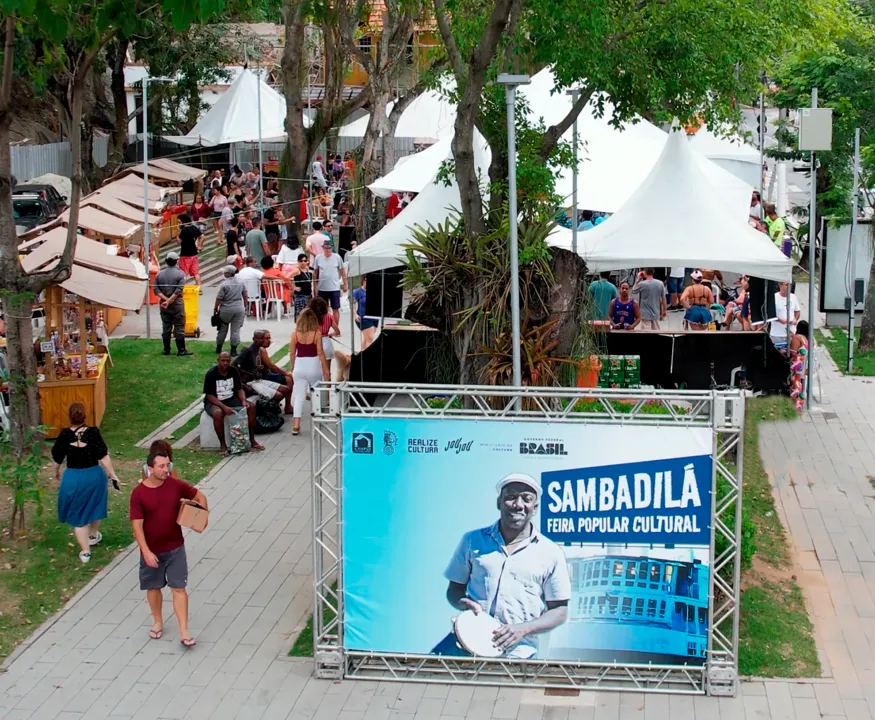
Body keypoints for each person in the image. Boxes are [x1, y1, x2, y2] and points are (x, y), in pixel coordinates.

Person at [437, 473, 570, 659]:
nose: (518, 504)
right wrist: (462, 603)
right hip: (467, 645)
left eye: (526, 499)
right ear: (499, 502)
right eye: (510, 497)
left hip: (519, 654)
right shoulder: (472, 541)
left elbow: (560, 611)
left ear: (535, 508)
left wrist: (522, 629)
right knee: (425, 679)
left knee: (505, 690)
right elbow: (454, 590)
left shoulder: (550, 552)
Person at [130, 449, 207, 648]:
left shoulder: (175, 485)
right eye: (161, 466)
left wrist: (201, 518)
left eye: (168, 465)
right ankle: (157, 621)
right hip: (152, 550)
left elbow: (199, 496)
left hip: (175, 548)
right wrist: (146, 552)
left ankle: (184, 631)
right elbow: (137, 526)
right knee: (153, 587)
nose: (166, 470)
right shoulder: (139, 494)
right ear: (150, 469)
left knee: (179, 588)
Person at [52, 403, 120, 564]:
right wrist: (113, 475)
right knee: (95, 506)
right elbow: (103, 456)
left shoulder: (64, 435)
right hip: (94, 476)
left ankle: (85, 551)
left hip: (73, 478)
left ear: (70, 416)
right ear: (84, 416)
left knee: (78, 514)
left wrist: (56, 472)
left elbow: (57, 458)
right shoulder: (93, 433)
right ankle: (93, 535)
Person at [202, 352, 264, 454]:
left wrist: (243, 401)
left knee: (251, 407)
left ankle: (252, 440)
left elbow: (239, 389)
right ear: (218, 361)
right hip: (214, 401)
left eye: (228, 361)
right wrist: (224, 407)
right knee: (218, 413)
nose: (225, 363)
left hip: (231, 398)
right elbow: (209, 396)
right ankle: (223, 445)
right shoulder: (211, 374)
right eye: (223, 361)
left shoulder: (233, 371)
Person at [289, 308, 330, 436]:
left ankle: (296, 425)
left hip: (299, 365)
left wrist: (292, 366)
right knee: (316, 394)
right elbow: (320, 353)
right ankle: (318, 421)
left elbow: (291, 352)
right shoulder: (316, 333)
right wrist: (326, 369)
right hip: (313, 365)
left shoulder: (295, 333)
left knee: (299, 397)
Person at [234, 329, 293, 413]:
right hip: (250, 382)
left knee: (286, 389)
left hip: (258, 379)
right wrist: (248, 374)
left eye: (262, 338)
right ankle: (268, 410)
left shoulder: (259, 349)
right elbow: (235, 365)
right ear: (254, 339)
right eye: (259, 338)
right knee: (278, 394)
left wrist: (259, 369)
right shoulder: (248, 349)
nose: (261, 340)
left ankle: (273, 407)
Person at [154, 252, 193, 356]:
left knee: (166, 327)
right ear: (176, 261)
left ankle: (166, 350)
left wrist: (165, 300)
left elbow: (156, 290)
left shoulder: (159, 274)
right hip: (177, 304)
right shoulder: (180, 274)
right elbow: (178, 291)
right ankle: (181, 350)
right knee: (179, 327)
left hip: (163, 305)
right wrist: (170, 300)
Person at [214, 265, 247, 356]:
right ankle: (233, 350)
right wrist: (245, 305)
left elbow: (219, 298)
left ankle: (219, 347)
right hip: (239, 308)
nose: (224, 273)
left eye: (225, 272)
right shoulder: (240, 282)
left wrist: (215, 307)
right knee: (235, 330)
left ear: (228, 273)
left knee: (222, 328)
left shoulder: (224, 284)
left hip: (226, 309)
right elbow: (245, 294)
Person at [313, 239, 347, 329]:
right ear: (323, 248)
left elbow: (342, 271)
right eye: (326, 248)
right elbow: (315, 273)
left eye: (329, 248)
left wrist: (345, 283)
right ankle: (323, 327)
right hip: (322, 287)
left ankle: (336, 327)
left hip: (334, 287)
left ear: (331, 248)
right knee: (322, 309)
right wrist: (315, 287)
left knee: (335, 308)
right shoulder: (318, 258)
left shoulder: (337, 257)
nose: (328, 250)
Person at [769, 281, 801, 348]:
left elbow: (797, 311)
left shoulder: (793, 297)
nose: (789, 287)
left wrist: (795, 319)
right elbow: (769, 314)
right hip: (777, 334)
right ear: (780, 285)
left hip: (791, 333)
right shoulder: (774, 298)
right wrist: (779, 320)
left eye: (790, 285)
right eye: (786, 285)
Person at [177, 214, 203, 290]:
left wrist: (178, 232)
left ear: (183, 221)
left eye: (179, 222)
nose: (178, 223)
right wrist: (199, 245)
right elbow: (202, 236)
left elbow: (178, 241)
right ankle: (199, 288)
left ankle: (181, 288)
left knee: (183, 273)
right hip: (194, 254)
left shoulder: (184, 230)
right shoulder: (194, 228)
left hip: (185, 255)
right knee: (196, 272)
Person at [789, 320, 810, 411]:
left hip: (798, 366)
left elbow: (793, 353)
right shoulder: (808, 339)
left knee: (792, 378)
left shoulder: (797, 338)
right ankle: (799, 401)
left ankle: (795, 401)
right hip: (805, 366)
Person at [353, 276, 377, 350]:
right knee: (370, 338)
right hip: (363, 318)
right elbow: (351, 303)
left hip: (374, 317)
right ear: (363, 280)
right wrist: (355, 314)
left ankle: (362, 356)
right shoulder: (358, 292)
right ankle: (368, 359)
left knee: (367, 338)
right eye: (366, 280)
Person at [292, 254, 313, 318]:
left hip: (308, 295)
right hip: (300, 296)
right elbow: (287, 277)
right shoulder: (297, 270)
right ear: (298, 262)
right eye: (301, 261)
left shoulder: (309, 270)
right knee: (300, 316)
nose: (303, 262)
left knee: (308, 316)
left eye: (304, 260)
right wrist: (293, 287)